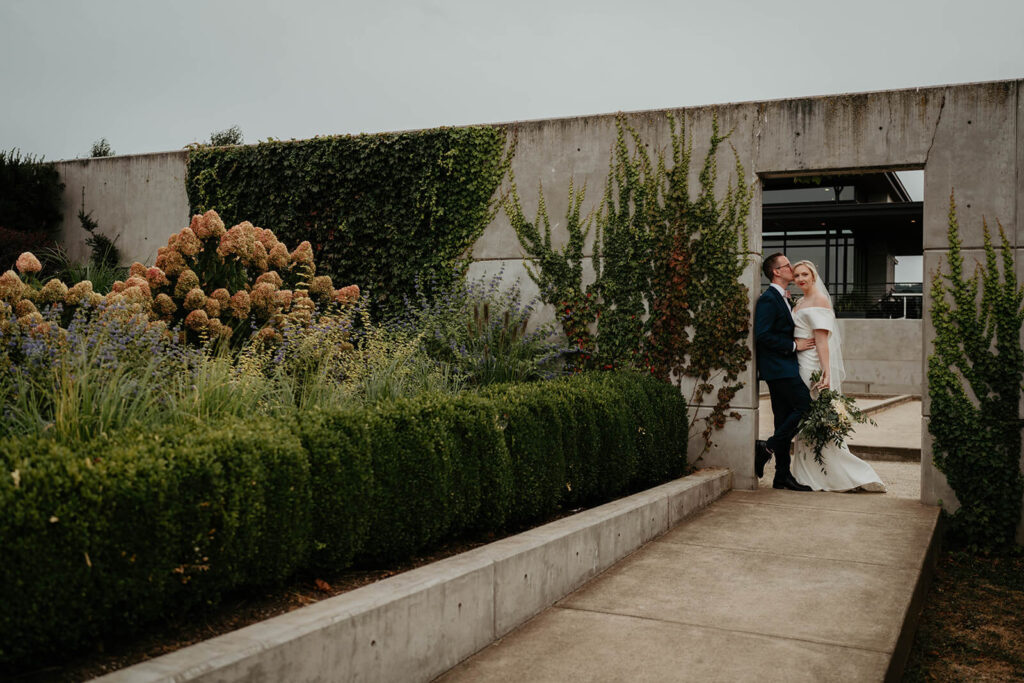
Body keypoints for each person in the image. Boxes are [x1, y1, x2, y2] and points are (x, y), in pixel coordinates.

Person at [788, 260, 886, 492]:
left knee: (813, 417)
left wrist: (826, 372)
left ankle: (837, 474)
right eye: (797, 275)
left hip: (811, 366)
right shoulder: (799, 301)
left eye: (805, 274)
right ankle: (806, 472)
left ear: (814, 276)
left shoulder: (820, 300)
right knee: (805, 419)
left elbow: (822, 341)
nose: (800, 279)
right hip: (798, 361)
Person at [754, 253, 814, 491]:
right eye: (787, 265)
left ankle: (781, 476)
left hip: (783, 367)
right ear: (776, 271)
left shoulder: (783, 298)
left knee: (782, 419)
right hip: (779, 368)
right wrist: (793, 346)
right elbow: (762, 335)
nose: (792, 267)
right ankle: (766, 448)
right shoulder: (769, 299)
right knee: (805, 406)